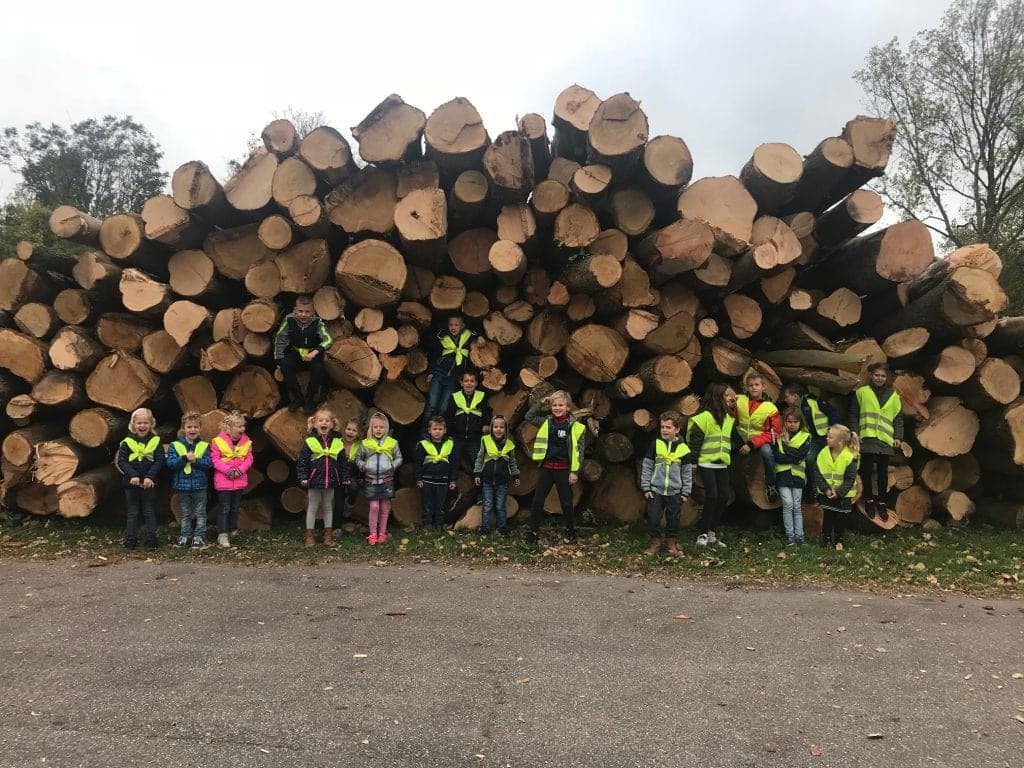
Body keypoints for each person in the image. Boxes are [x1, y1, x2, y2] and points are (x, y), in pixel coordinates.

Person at [525, 390, 587, 544]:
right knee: (538, 501)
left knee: (566, 502)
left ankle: (571, 531)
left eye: (561, 405)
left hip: (563, 470)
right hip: (547, 468)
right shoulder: (546, 422)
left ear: (568, 407)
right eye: (554, 405)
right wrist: (541, 403)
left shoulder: (576, 427)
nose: (557, 408)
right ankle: (533, 531)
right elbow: (529, 417)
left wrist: (574, 472)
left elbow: (579, 453)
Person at [849, 362, 903, 522]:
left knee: (882, 473)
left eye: (883, 376)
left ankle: (881, 502)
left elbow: (898, 418)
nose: (879, 378)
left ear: (887, 378)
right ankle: (869, 500)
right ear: (871, 376)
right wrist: (855, 432)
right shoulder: (862, 392)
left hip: (885, 439)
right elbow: (853, 414)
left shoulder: (893, 396)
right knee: (866, 471)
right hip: (867, 438)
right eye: (877, 375)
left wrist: (898, 436)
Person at [686, 383, 737, 548]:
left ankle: (712, 533)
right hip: (706, 462)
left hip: (722, 463)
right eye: (727, 395)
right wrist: (693, 465)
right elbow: (695, 443)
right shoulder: (703, 418)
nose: (731, 398)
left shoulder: (729, 418)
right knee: (712, 496)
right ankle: (702, 533)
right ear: (717, 396)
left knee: (724, 496)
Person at [640, 411, 693, 557]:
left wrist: (685, 492)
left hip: (675, 492)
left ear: (677, 429)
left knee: (673, 519)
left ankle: (671, 544)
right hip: (656, 490)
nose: (664, 430)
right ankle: (655, 542)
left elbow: (687, 472)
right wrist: (646, 487)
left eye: (668, 427)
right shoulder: (655, 445)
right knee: (653, 518)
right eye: (662, 427)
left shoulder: (683, 449)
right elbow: (647, 466)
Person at [421, 314, 484, 433]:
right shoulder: (442, 336)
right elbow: (435, 355)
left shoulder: (468, 335)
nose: (453, 327)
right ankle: (425, 432)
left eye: (456, 325)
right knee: (432, 405)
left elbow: (477, 329)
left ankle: (438, 433)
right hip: (439, 374)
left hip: (453, 378)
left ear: (462, 326)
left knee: (444, 407)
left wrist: (480, 336)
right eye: (451, 325)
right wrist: (431, 372)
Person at [274, 294, 333, 414]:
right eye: (300, 311)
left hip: (312, 354)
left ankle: (310, 400)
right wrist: (278, 359)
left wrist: (315, 352)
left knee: (319, 369)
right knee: (285, 365)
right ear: (295, 309)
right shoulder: (289, 320)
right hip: (296, 353)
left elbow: (328, 339)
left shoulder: (318, 322)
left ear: (313, 312)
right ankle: (297, 397)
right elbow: (280, 339)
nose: (303, 314)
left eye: (307, 312)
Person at [297, 408, 347, 547]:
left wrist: (345, 476)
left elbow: (343, 462)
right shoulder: (310, 442)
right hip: (314, 480)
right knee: (312, 506)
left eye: (327, 420)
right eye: (320, 420)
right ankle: (309, 535)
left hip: (330, 480)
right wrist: (303, 477)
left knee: (328, 507)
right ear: (314, 423)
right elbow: (302, 461)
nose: (324, 422)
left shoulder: (337, 442)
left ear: (332, 424)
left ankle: (328, 535)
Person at [116, 407, 164, 550]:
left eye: (145, 423)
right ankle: (131, 539)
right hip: (131, 483)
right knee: (133, 511)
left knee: (148, 510)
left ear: (151, 424)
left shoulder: (155, 441)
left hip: (149, 483)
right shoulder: (127, 442)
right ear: (133, 424)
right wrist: (133, 475)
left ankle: (152, 540)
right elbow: (122, 461)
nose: (142, 426)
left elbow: (159, 460)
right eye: (139, 423)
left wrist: (150, 477)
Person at [165, 412, 213, 549]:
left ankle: (199, 536)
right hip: (182, 485)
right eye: (189, 427)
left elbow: (208, 464)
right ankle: (185, 535)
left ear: (200, 429)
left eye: (195, 427)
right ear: (183, 428)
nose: (192, 430)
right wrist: (184, 458)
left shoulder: (204, 445)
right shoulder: (175, 445)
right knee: (185, 513)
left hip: (200, 485)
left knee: (200, 512)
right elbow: (171, 464)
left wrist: (195, 460)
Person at [355, 411, 403, 545]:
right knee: (374, 506)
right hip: (371, 480)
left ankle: (382, 533)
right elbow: (358, 458)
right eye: (375, 427)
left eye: (381, 427)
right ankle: (372, 533)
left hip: (386, 480)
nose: (378, 429)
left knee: (384, 507)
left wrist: (392, 466)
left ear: (386, 428)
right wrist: (363, 466)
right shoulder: (366, 443)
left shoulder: (392, 443)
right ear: (371, 428)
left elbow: (399, 458)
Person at [210, 411, 253, 549]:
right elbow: (215, 460)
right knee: (224, 508)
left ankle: (232, 529)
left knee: (234, 507)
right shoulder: (218, 441)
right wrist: (227, 470)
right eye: (239, 426)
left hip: (239, 480)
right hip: (224, 481)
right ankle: (222, 533)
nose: (243, 429)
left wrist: (240, 470)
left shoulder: (247, 442)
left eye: (243, 426)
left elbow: (249, 459)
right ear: (229, 428)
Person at [814, 424, 861, 550]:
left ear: (840, 441)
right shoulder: (823, 453)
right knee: (828, 517)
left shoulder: (850, 456)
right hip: (826, 493)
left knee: (841, 519)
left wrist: (839, 493)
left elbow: (850, 479)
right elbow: (817, 473)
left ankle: (839, 540)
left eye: (830, 437)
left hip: (843, 496)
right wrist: (825, 489)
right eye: (827, 436)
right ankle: (826, 540)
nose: (827, 439)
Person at [473, 414, 521, 536]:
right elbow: (480, 458)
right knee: (487, 505)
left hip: (502, 481)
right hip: (487, 480)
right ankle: (485, 527)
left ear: (506, 429)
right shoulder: (485, 441)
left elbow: (512, 462)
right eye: (495, 427)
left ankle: (502, 527)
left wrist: (515, 475)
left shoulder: (509, 444)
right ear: (491, 428)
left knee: (500, 506)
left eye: (501, 427)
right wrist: (477, 473)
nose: (498, 429)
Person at [736, 373, 780, 501]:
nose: (754, 387)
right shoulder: (739, 400)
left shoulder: (770, 408)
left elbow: (773, 433)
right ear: (746, 387)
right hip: (740, 437)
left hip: (760, 440)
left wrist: (751, 444)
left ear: (763, 387)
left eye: (757, 385)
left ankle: (771, 485)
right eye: (750, 385)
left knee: (767, 452)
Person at [772, 407, 811, 546]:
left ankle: (800, 536)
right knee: (788, 504)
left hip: (798, 476)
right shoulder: (778, 436)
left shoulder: (806, 436)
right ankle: (790, 536)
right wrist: (793, 456)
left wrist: (786, 450)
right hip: (783, 475)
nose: (792, 424)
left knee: (796, 506)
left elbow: (800, 455)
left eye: (795, 422)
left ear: (800, 422)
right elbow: (777, 457)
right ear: (785, 422)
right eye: (789, 422)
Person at [780, 382, 833, 479]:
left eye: (786, 397)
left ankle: (815, 484)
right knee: (808, 459)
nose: (785, 400)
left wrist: (831, 427)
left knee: (813, 459)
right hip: (811, 439)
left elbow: (832, 412)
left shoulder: (811, 401)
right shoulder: (792, 409)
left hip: (823, 437)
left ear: (795, 396)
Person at [415, 416, 457, 530]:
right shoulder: (423, 444)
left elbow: (454, 463)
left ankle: (439, 523)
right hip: (427, 479)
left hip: (443, 480)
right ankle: (427, 523)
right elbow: (418, 463)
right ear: (429, 430)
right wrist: (418, 478)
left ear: (445, 430)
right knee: (427, 503)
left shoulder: (449, 444)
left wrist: (453, 480)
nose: (437, 432)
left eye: (440, 429)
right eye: (434, 429)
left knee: (441, 503)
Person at [446, 369, 490, 471]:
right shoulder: (455, 397)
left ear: (476, 383)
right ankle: (452, 480)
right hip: (457, 437)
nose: (469, 383)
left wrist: (486, 424)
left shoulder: (482, 396)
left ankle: (479, 480)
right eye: (466, 381)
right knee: (453, 461)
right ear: (461, 383)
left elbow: (487, 412)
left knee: (477, 462)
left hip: (474, 437)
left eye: (472, 381)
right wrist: (449, 433)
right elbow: (449, 416)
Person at [339, 418, 362, 522]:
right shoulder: (337, 442)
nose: (351, 432)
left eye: (354, 430)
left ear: (358, 434)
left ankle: (349, 505)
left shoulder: (360, 445)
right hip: (337, 471)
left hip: (351, 472)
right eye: (348, 429)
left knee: (354, 488)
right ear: (344, 430)